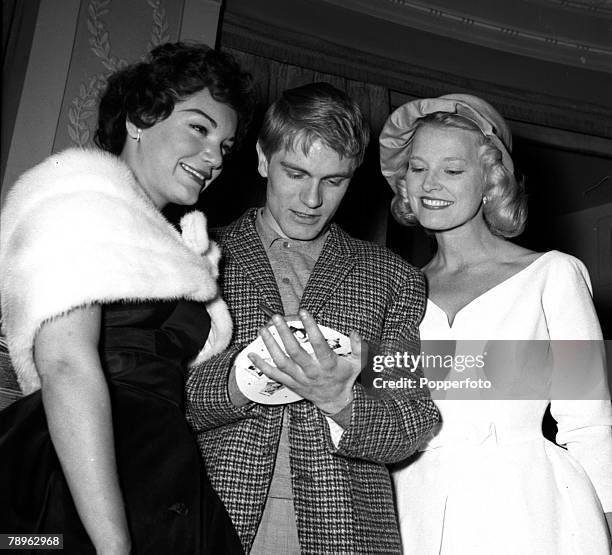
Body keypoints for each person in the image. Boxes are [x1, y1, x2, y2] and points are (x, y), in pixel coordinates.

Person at [0, 42, 254, 554]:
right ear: (141, 117)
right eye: (199, 128)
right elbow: (67, 366)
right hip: (78, 470)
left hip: (162, 465)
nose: (214, 158)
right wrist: (112, 544)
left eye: (225, 146)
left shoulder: (174, 245)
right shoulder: (77, 200)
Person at [185, 82, 439, 554]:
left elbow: (411, 421)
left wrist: (341, 398)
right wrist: (242, 378)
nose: (312, 199)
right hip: (209, 518)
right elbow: (153, 399)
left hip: (347, 531)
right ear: (263, 159)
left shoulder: (392, 278)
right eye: (296, 173)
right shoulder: (197, 256)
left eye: (334, 180)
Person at [379, 93, 612, 554]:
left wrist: (604, 526)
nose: (430, 184)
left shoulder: (552, 274)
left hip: (526, 510)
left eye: (452, 169)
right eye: (418, 167)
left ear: (490, 180)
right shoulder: (392, 289)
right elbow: (381, 412)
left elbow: (589, 424)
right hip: (413, 509)